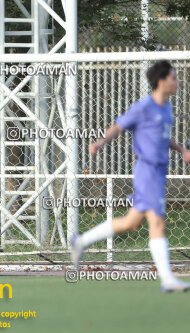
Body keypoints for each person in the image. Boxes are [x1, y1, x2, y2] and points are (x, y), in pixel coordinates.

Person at [71, 60, 190, 293]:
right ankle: (167, 279)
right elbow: (118, 126)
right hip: (146, 172)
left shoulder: (166, 108)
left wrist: (182, 151)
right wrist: (100, 142)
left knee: (131, 222)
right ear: (161, 81)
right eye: (174, 78)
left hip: (158, 172)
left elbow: (163, 138)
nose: (177, 82)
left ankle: (81, 241)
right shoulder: (144, 107)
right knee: (157, 221)